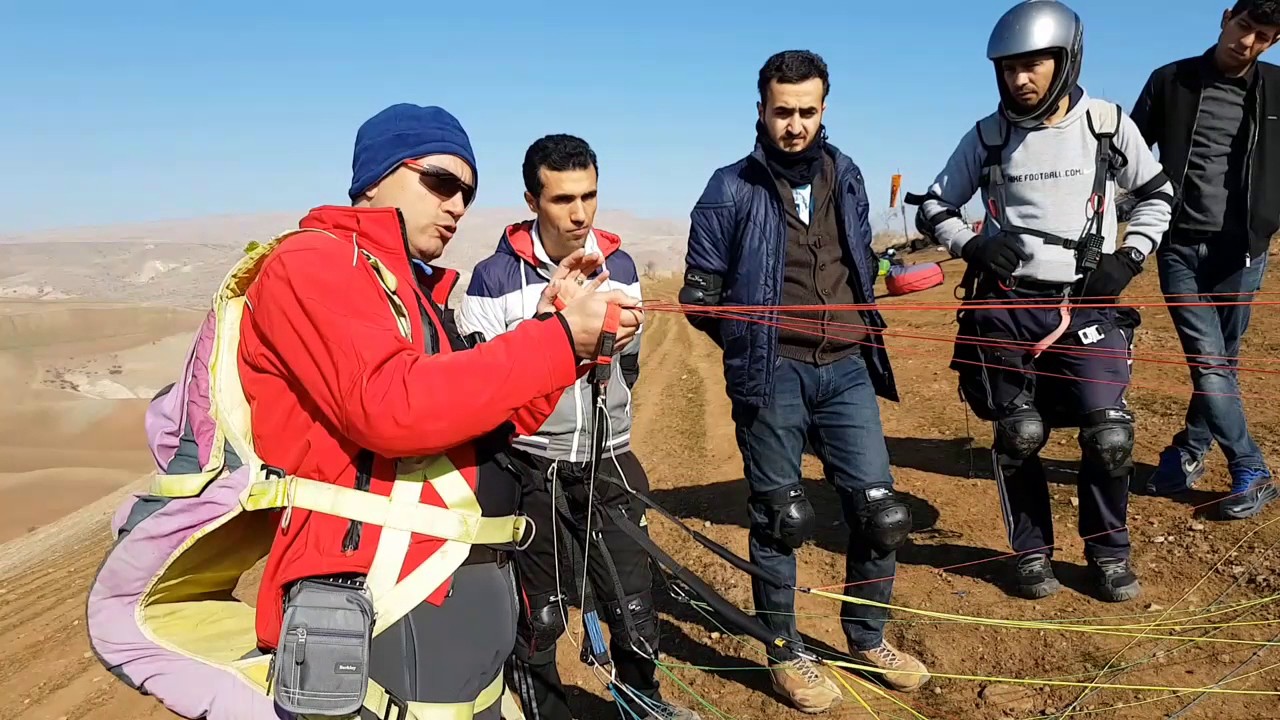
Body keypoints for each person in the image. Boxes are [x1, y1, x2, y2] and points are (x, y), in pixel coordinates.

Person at [236, 103, 641, 720]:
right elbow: (392, 407)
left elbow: (484, 419)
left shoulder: (414, 289)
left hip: (450, 592)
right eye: (441, 182)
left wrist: (552, 330)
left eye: (467, 194)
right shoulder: (314, 263)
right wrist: (558, 341)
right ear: (376, 176)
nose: (457, 206)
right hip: (381, 599)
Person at [680, 50, 929, 711]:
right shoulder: (728, 188)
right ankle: (785, 652)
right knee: (781, 518)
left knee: (881, 514)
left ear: (824, 109)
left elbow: (860, 258)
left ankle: (867, 637)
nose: (794, 125)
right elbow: (699, 298)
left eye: (807, 112)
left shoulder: (846, 175)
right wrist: (752, 345)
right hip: (773, 375)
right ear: (761, 110)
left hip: (847, 368)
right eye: (782, 111)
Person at [916, 0, 1175, 604]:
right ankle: (1031, 553)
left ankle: (1108, 554)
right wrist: (974, 245)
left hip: (1088, 307)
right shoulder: (988, 135)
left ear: (1066, 60)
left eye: (1032, 65)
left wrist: (1129, 257)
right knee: (1020, 433)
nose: (1019, 79)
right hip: (1007, 308)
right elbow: (933, 206)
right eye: (1008, 68)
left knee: (1109, 436)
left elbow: (1157, 195)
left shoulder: (1107, 124)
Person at [457, 134, 700, 720]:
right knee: (538, 619)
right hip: (528, 467)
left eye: (589, 195)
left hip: (608, 459)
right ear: (531, 201)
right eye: (563, 198)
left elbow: (628, 366)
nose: (579, 213)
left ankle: (644, 708)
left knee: (633, 608)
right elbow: (483, 387)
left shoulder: (621, 267)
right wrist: (547, 325)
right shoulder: (491, 279)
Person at [1130, 0, 1280, 519]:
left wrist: (1270, 217)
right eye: (1243, 26)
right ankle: (1251, 467)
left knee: (1221, 364)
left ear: (1274, 42)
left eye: (1262, 36)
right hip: (1179, 248)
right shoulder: (1170, 80)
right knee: (1210, 361)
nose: (1247, 42)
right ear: (1225, 17)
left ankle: (1188, 450)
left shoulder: (1277, 88)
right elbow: (1130, 152)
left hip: (1243, 252)